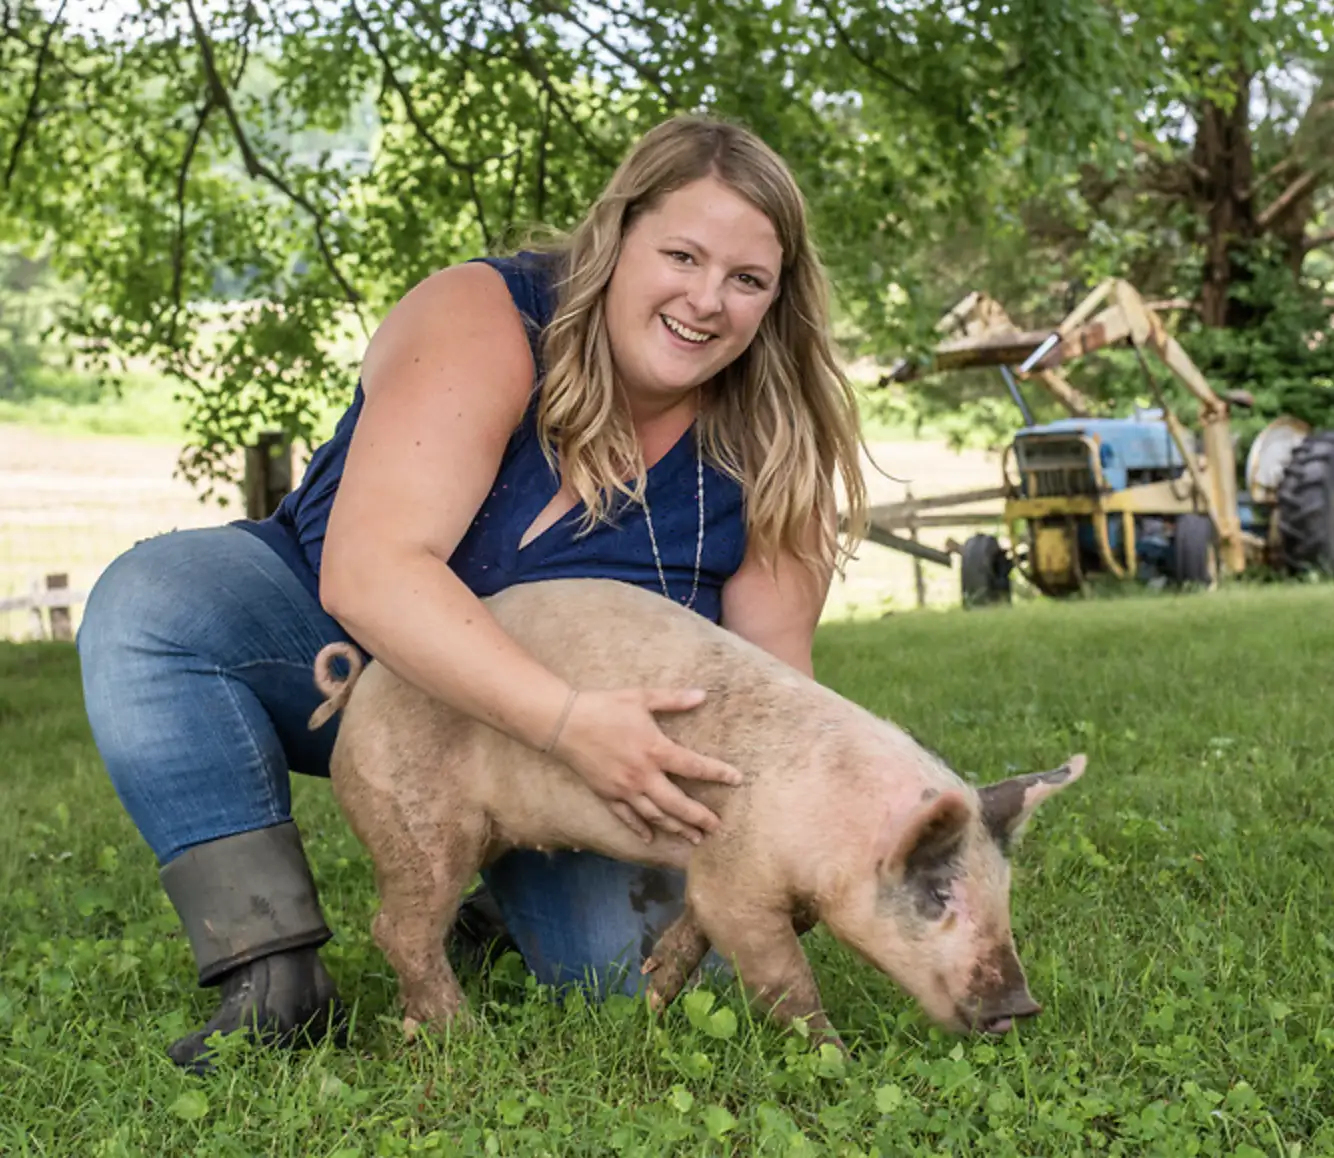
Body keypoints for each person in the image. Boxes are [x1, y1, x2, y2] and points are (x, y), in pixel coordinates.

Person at [75, 113, 869, 1072]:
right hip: (340, 651)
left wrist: (786, 856)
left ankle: (488, 902)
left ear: (778, 300)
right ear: (616, 236)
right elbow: (373, 573)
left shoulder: (771, 450)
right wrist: (567, 719)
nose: (707, 301)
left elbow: (773, 713)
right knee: (158, 605)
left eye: (748, 280)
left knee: (626, 980)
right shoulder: (489, 316)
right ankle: (272, 971)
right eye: (683, 255)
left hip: (578, 762)